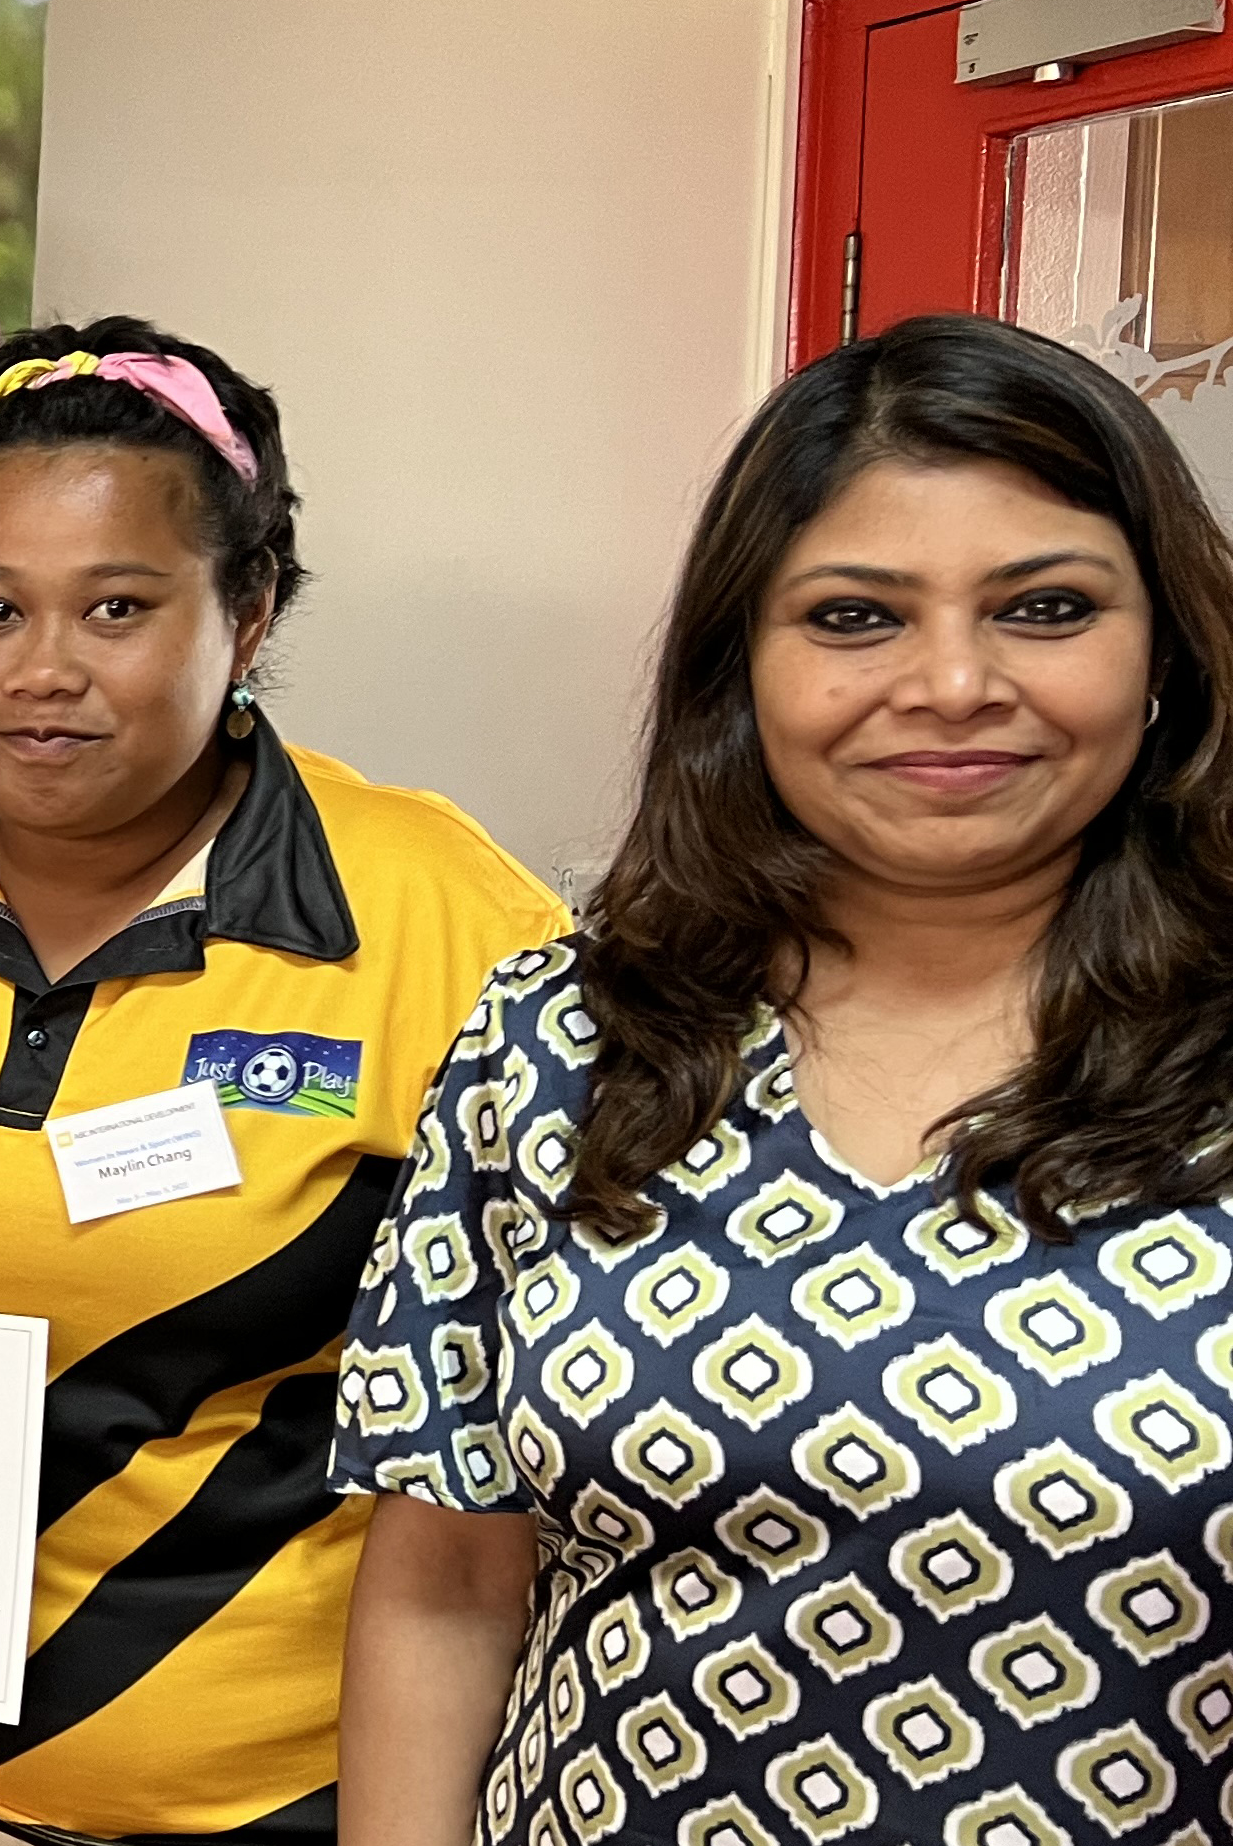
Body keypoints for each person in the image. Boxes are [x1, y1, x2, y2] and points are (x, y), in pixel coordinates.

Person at [0, 320, 569, 1843]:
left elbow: (531, 1417)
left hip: (299, 1788)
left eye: (118, 607)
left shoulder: (446, 919)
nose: (42, 673)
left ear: (248, 612)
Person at [338, 314, 1233, 1842]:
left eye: (1045, 606)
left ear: (1166, 653)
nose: (953, 683)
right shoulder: (562, 1034)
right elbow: (449, 1584)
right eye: (855, 618)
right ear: (738, 669)